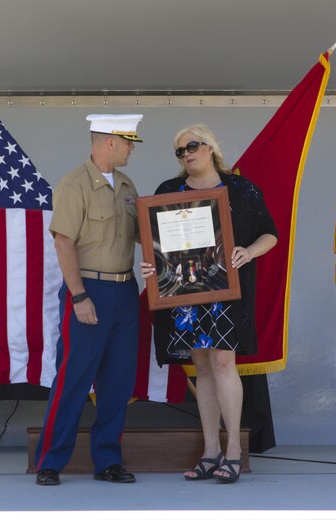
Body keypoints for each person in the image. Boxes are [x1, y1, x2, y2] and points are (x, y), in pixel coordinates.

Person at [142, 124, 277, 483]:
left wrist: (248, 252)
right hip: (184, 294)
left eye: (192, 146)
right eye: (180, 150)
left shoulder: (241, 189)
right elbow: (154, 242)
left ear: (210, 148)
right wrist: (150, 263)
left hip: (226, 292)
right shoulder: (167, 191)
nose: (186, 153)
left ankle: (233, 450)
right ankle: (210, 451)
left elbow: (270, 234)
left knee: (222, 362)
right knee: (201, 368)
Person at [34, 114, 143, 486]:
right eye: (129, 141)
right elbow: (63, 241)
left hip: (126, 292)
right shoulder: (74, 184)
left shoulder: (128, 186)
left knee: (117, 383)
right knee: (74, 379)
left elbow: (149, 234)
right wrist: (79, 295)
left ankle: (108, 460)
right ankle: (50, 460)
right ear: (110, 141)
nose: (132, 148)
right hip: (88, 291)